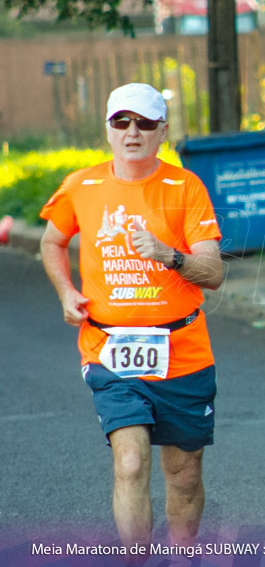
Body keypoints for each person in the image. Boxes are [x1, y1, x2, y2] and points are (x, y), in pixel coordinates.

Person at [39, 82, 224, 552]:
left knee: (182, 475)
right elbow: (51, 241)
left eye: (144, 122)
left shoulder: (185, 187)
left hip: (183, 351)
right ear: (108, 129)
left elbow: (214, 273)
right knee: (130, 463)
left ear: (162, 130)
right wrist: (66, 292)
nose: (132, 131)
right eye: (122, 121)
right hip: (109, 349)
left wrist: (170, 256)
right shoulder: (83, 185)